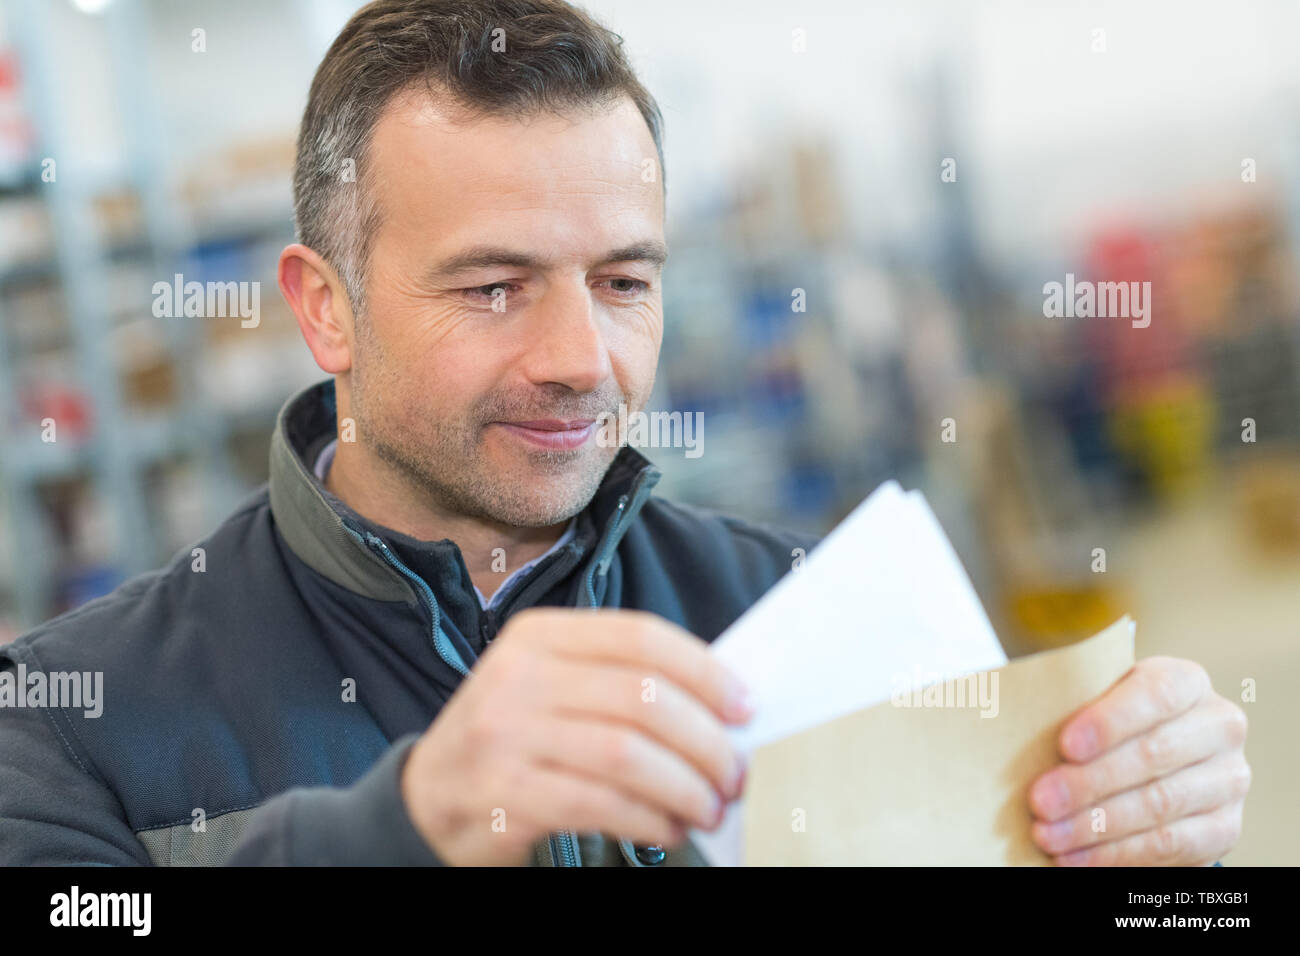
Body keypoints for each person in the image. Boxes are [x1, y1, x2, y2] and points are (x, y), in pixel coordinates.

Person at [0, 0, 1248, 867]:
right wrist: (407, 829)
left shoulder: (805, 614)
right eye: (493, 285)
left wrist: (1144, 852)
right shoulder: (71, 719)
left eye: (623, 281)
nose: (578, 360)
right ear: (325, 308)